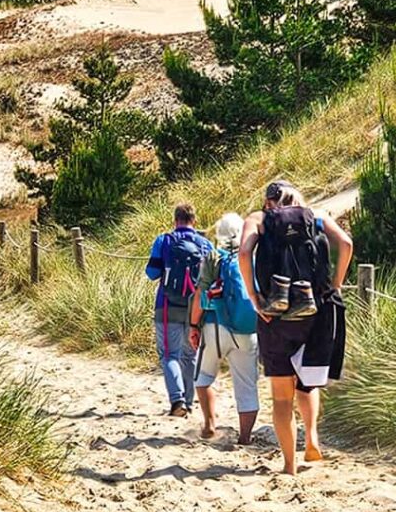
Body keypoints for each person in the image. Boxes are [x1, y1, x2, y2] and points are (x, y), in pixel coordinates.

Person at [238, 180, 352, 475]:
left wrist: (254, 296)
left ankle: (289, 464)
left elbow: (243, 253)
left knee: (281, 396)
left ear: (268, 202)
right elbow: (346, 244)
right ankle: (312, 438)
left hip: (275, 315)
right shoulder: (317, 215)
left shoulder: (258, 219)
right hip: (317, 311)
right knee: (308, 382)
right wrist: (335, 285)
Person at [188, 212, 259, 443]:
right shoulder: (253, 257)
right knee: (247, 387)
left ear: (218, 235)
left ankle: (209, 424)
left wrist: (193, 325)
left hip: (215, 327)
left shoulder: (213, 257)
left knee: (203, 376)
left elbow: (200, 294)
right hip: (248, 330)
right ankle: (245, 437)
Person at [145, 204, 214, 417]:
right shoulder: (205, 244)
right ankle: (190, 403)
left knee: (168, 355)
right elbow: (211, 280)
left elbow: (152, 273)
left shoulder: (164, 241)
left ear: (175, 220)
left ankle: (177, 401)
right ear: (194, 220)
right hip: (196, 308)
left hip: (167, 306)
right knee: (190, 355)